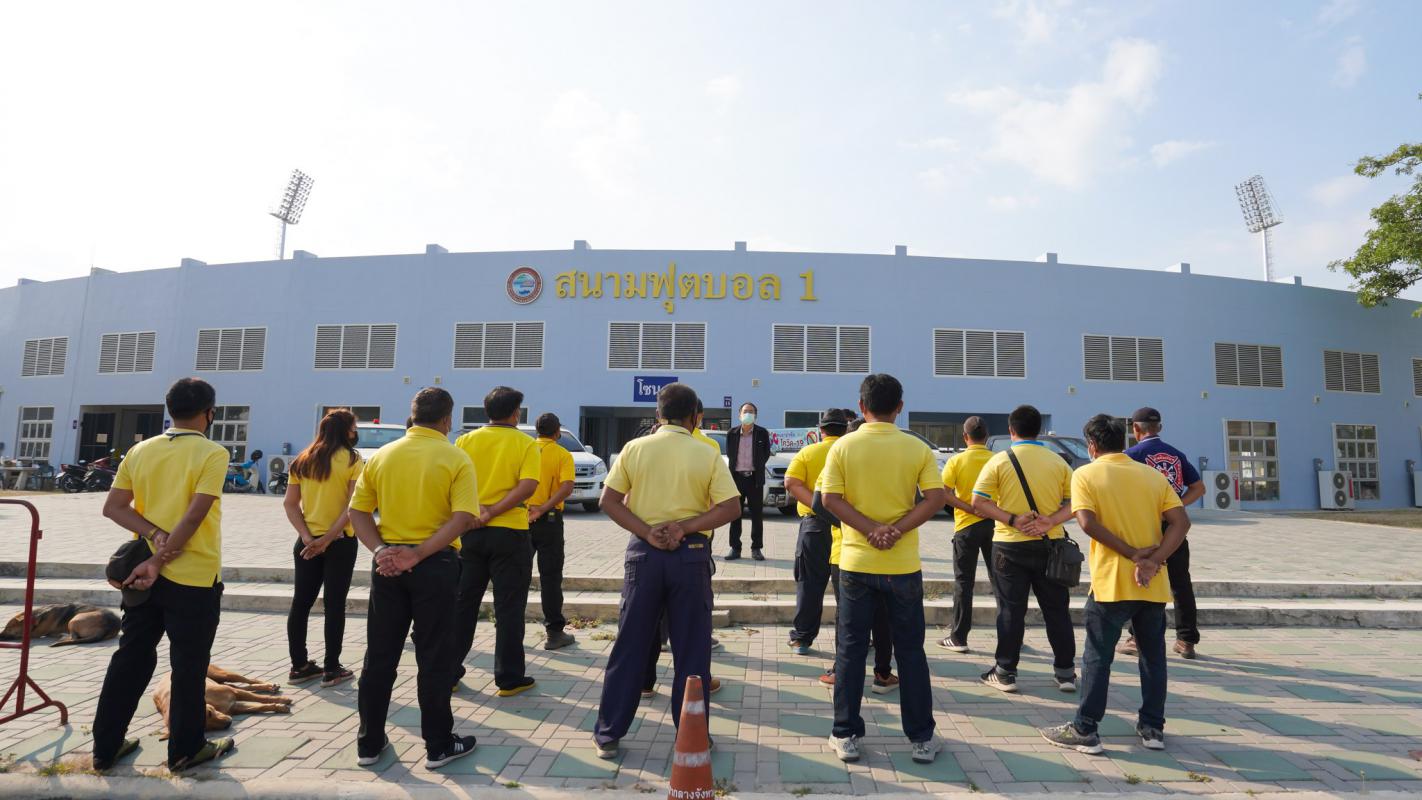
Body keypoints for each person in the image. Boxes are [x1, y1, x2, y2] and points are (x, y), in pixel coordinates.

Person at [593, 383, 741, 760]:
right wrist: (684, 528)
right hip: (690, 555)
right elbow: (730, 507)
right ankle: (693, 735)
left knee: (630, 643)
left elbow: (609, 501)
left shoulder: (635, 448)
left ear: (658, 414)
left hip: (644, 554)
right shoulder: (707, 452)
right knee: (691, 649)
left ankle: (609, 734)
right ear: (695, 417)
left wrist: (647, 532)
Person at [93, 377, 234, 772]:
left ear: (169, 410)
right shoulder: (212, 453)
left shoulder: (141, 450)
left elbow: (114, 507)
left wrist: (153, 537)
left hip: (141, 578)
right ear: (210, 413)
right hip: (193, 576)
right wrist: (160, 560)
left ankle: (105, 747)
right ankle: (186, 750)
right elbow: (194, 516)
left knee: (131, 658)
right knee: (189, 665)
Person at [1040, 414, 1190, 754]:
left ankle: (1086, 729)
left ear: (1092, 445)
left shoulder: (1086, 474)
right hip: (1152, 583)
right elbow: (1181, 522)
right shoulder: (1152, 475)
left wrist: (1132, 554)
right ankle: (1153, 728)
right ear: (1124, 440)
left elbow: (1087, 523)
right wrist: (1153, 559)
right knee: (1153, 658)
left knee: (1097, 658)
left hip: (1111, 583)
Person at [349, 387, 479, 769]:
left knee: (380, 656)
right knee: (435, 657)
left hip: (388, 566)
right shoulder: (456, 458)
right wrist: (419, 554)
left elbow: (358, 512)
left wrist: (380, 551)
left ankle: (369, 743)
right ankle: (438, 745)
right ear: (447, 419)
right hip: (435, 566)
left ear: (413, 414)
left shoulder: (382, 456)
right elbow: (462, 518)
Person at [822, 374, 946, 765]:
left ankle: (845, 734)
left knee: (851, 650)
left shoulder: (842, 446)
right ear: (899, 408)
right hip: (902, 564)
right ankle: (921, 739)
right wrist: (895, 530)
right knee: (910, 651)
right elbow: (935, 498)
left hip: (856, 563)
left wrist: (869, 530)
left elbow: (829, 499)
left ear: (861, 407)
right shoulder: (916, 448)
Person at [971, 404, 1077, 694]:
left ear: (1011, 430)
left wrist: (1013, 520)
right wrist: (1050, 521)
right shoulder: (1058, 462)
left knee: (1010, 611)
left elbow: (978, 502)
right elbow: (1077, 502)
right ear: (1039, 430)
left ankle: (1005, 672)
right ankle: (1066, 673)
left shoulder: (998, 461)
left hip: (1009, 546)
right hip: (1051, 545)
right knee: (1057, 610)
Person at [452, 387, 542, 696]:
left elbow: (455, 482)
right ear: (516, 413)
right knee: (509, 608)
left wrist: (478, 510)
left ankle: (448, 673)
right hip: (511, 532)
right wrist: (493, 511)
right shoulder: (525, 443)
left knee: (463, 604)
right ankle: (509, 678)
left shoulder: (465, 441)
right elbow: (527, 486)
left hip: (470, 531)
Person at [816, 413, 897, 694]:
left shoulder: (840, 457)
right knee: (882, 617)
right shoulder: (891, 458)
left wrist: (851, 525)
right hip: (887, 551)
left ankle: (842, 672)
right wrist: (881, 530)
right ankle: (883, 674)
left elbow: (818, 502)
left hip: (847, 553)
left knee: (848, 618)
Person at [283, 408, 363, 687]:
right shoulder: (352, 459)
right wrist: (328, 539)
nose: (355, 431)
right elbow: (353, 506)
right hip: (340, 542)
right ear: (346, 430)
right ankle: (332, 668)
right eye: (354, 427)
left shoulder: (302, 460)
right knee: (334, 605)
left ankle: (299, 666)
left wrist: (307, 537)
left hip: (306, 544)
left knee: (301, 603)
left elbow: (290, 504)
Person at [1120, 407, 1206, 659]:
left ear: (1135, 428)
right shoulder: (1176, 454)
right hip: (1175, 527)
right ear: (1160, 427)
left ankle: (1136, 638)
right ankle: (1186, 640)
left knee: (1143, 579)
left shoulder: (1131, 456)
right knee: (1180, 583)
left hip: (1145, 527)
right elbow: (1198, 488)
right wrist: (1174, 508)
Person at [784, 409, 851, 654]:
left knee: (810, 584)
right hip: (847, 525)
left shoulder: (808, 452)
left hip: (814, 526)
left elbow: (791, 483)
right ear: (845, 429)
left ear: (821, 429)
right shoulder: (850, 452)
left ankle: (802, 638)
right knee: (848, 589)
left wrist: (817, 505)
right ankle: (853, 639)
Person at [937, 416, 999, 653]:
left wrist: (969, 508)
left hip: (966, 527)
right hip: (996, 526)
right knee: (1001, 582)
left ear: (965, 437)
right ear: (986, 437)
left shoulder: (956, 461)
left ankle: (959, 637)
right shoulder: (998, 459)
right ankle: (1012, 635)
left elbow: (943, 493)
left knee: (964, 583)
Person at [528, 412, 577, 651]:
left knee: (516, 577)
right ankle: (554, 633)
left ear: (537, 430)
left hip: (521, 519)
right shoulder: (562, 454)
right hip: (549, 521)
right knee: (550, 578)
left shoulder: (525, 450)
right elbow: (567, 487)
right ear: (557, 432)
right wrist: (544, 508)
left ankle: (509, 629)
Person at [724, 401, 771, 560]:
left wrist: (756, 466)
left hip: (754, 479)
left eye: (751, 411)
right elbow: (730, 454)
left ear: (755, 416)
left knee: (756, 515)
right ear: (739, 415)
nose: (748, 414)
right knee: (735, 514)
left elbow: (765, 454)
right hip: (736, 478)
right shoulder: (732, 433)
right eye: (745, 411)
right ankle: (735, 548)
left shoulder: (762, 433)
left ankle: (756, 548)